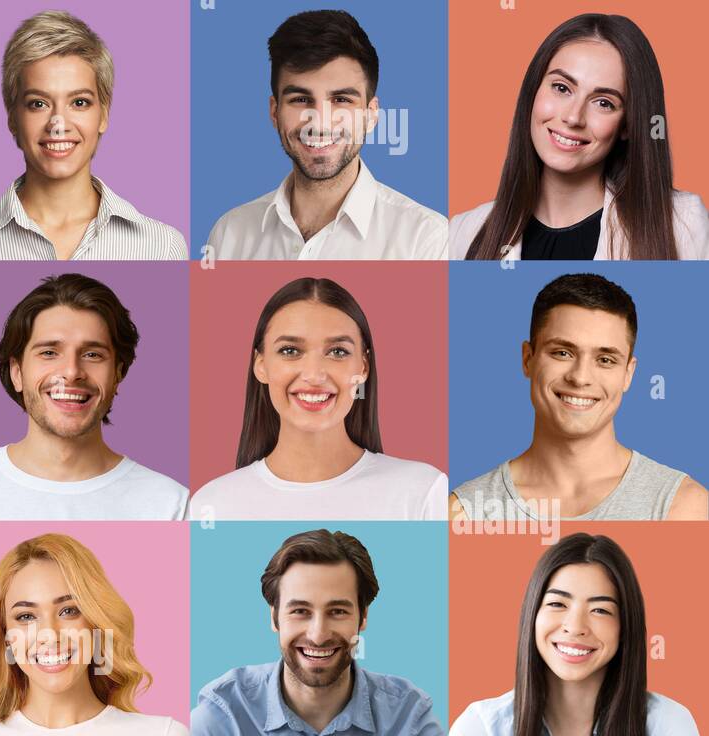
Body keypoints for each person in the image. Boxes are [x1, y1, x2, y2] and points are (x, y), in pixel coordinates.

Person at [190, 529, 447, 736]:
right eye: (300, 611)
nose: (318, 635)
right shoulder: (223, 713)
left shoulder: (410, 717)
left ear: (363, 616)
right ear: (274, 617)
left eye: (337, 611)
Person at [449, 533, 707, 736]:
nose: (575, 626)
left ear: (625, 626)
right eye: (557, 604)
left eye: (600, 610)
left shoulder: (669, 723)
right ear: (533, 615)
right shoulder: (480, 728)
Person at [450, 13, 709, 261]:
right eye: (561, 88)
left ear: (627, 125)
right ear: (534, 91)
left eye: (604, 103)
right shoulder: (463, 232)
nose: (574, 118)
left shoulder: (683, 224)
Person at [0, 533, 189, 736]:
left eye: (69, 611)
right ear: (6, 637)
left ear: (96, 625)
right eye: (26, 617)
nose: (50, 635)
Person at [0, 10, 186, 261]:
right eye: (38, 104)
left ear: (104, 115)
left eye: (79, 102)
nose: (58, 124)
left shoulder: (162, 247)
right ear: (12, 117)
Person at [449, 274, 707, 521]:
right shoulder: (465, 511)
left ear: (628, 373)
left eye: (605, 360)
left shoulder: (683, 507)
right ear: (528, 359)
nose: (580, 377)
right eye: (562, 353)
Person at [0, 274, 187, 519]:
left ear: (117, 374)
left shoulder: (171, 506)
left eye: (92, 355)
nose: (72, 372)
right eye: (49, 353)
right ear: (17, 372)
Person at [188, 278, 447, 520]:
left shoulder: (421, 491)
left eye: (337, 351)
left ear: (363, 367)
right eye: (290, 350)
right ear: (261, 365)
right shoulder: (212, 505)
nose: (314, 375)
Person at [204, 11, 446, 261]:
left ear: (371, 115)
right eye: (300, 99)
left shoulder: (426, 240)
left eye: (341, 100)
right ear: (275, 112)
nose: (319, 123)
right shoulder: (229, 235)